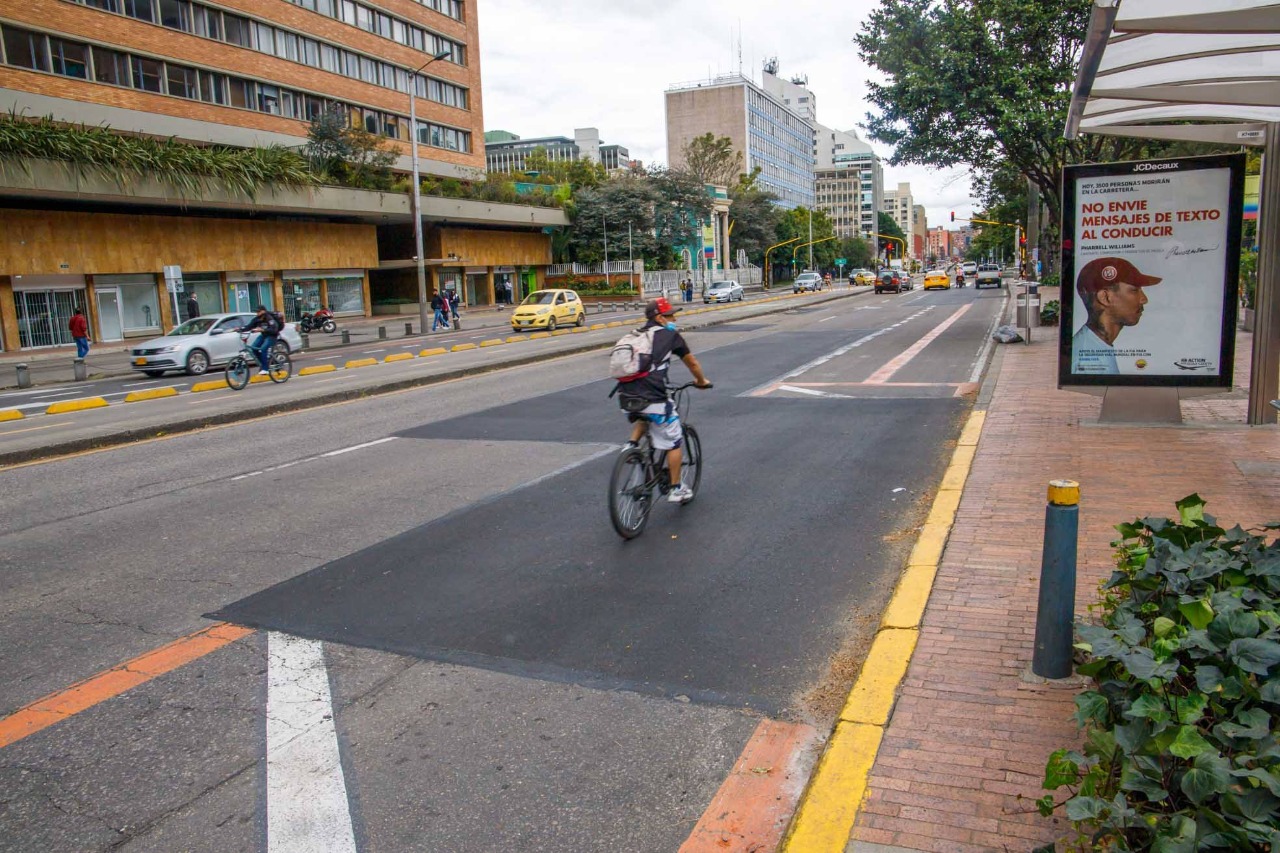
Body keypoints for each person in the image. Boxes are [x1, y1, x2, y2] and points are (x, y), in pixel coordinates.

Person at [617, 296, 712, 503]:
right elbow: (692, 363)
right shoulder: (671, 336)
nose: (674, 318)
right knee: (674, 439)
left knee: (644, 415)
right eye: (670, 315)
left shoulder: (635, 335)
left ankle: (631, 446)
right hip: (653, 398)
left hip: (626, 398)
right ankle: (676, 488)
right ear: (660, 318)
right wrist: (701, 381)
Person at [1071, 257, 1162, 375]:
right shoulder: (1088, 364)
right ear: (1105, 297)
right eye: (1134, 290)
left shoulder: (1094, 348)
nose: (1144, 299)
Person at [239, 306, 281, 373]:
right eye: (256, 312)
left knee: (263, 349)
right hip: (264, 335)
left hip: (272, 336)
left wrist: (262, 329)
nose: (257, 313)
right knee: (254, 348)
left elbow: (274, 329)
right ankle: (264, 364)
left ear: (263, 311)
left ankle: (265, 369)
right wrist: (240, 329)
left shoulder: (269, 318)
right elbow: (249, 326)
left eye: (258, 311)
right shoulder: (257, 319)